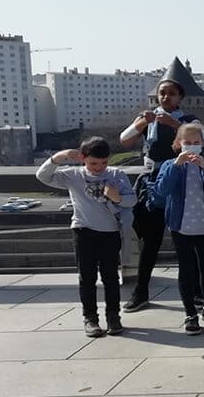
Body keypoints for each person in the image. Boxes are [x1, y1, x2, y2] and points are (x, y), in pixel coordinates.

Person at [36, 137, 136, 337]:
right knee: (87, 277)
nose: (99, 167)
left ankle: (113, 316)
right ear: (83, 159)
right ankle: (90, 318)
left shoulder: (116, 175)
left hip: (110, 232)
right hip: (84, 231)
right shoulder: (73, 175)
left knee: (110, 277)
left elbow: (131, 200)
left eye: (103, 163)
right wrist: (58, 158)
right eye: (93, 163)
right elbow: (43, 176)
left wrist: (117, 197)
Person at [118, 73, 201, 312]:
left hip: (179, 179)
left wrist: (174, 125)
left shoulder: (187, 119)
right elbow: (124, 140)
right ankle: (141, 291)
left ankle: (196, 292)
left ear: (180, 98)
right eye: (162, 93)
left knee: (186, 239)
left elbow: (202, 138)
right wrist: (141, 123)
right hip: (152, 181)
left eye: (171, 93)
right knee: (151, 240)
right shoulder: (148, 118)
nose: (165, 97)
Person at [153, 123, 204, 334]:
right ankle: (190, 313)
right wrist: (175, 166)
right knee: (186, 270)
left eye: (195, 143)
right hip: (180, 226)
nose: (191, 147)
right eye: (187, 143)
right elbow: (162, 190)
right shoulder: (169, 165)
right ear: (178, 144)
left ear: (203, 143)